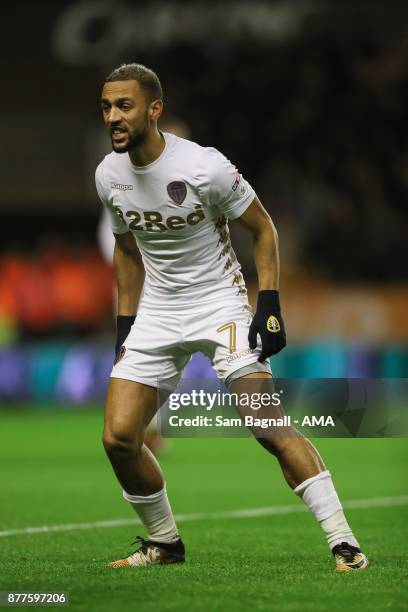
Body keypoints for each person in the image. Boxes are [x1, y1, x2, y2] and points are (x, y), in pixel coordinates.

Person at [95, 63, 368, 572]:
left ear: (155, 109)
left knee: (266, 424)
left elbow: (263, 229)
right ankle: (164, 545)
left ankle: (344, 542)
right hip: (157, 311)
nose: (113, 116)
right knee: (118, 438)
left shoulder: (204, 167)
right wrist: (125, 327)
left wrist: (268, 306)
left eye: (124, 106)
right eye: (107, 106)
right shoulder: (108, 176)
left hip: (218, 305)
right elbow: (127, 250)